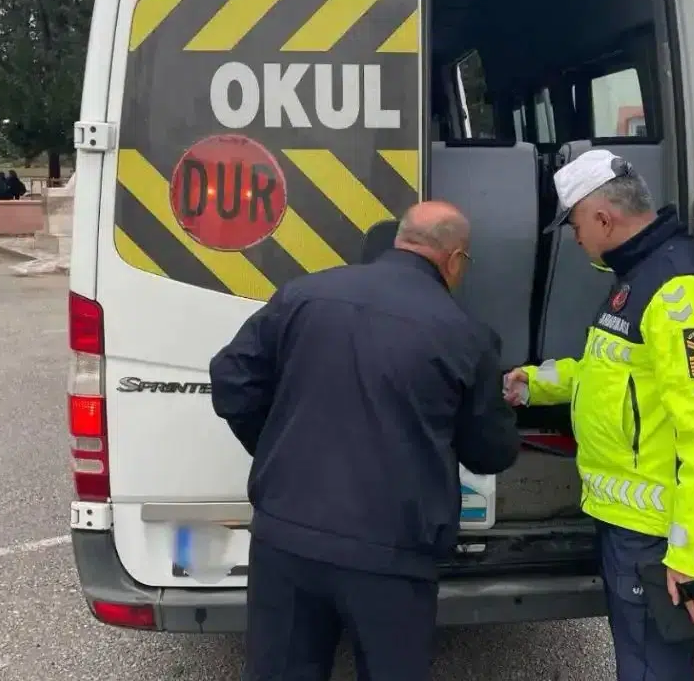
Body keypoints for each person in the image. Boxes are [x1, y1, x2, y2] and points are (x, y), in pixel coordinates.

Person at [210, 201, 522, 681]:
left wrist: (275, 447)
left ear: (401, 239)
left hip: (286, 538)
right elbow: (489, 452)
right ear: (455, 259)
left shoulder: (303, 294)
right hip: (392, 554)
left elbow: (231, 379)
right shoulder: (467, 335)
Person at [502, 150, 694, 681]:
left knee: (651, 668)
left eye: (574, 226)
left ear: (602, 218)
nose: (575, 239)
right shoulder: (637, 276)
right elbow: (611, 371)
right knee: (637, 661)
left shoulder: (681, 292)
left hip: (656, 536)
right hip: (625, 524)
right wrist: (536, 383)